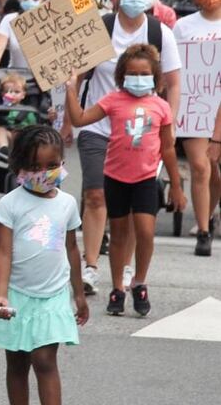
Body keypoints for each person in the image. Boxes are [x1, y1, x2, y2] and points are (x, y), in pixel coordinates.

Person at [76, 0, 181, 294]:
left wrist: (170, 123)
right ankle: (90, 265)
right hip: (98, 123)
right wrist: (65, 117)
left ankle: (124, 269)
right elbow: (76, 75)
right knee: (95, 194)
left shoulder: (159, 32)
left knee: (135, 206)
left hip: (143, 130)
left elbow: (174, 82)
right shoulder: (100, 29)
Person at [66, 44, 186, 315]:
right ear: (122, 75)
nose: (138, 77)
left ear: (155, 76)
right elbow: (80, 118)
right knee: (118, 235)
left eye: (144, 73)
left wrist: (176, 186)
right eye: (132, 72)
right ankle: (118, 287)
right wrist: (72, 88)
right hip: (116, 177)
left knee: (145, 232)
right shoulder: (113, 100)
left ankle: (139, 281)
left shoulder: (161, 106)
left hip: (145, 178)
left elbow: (168, 148)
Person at [0, 124, 88, 405]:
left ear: (62, 163)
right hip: (17, 294)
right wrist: (1, 294)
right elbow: (3, 252)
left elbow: (72, 248)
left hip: (52, 296)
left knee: (44, 360)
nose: (44, 173)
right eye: (35, 166)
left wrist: (78, 294)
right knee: (17, 363)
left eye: (52, 165)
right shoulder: (9, 204)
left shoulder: (67, 203)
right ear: (19, 167)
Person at [172, 0, 221, 256]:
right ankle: (203, 230)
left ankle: (210, 213)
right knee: (201, 167)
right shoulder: (183, 27)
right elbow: (175, 71)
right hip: (195, 109)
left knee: (214, 171)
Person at [0, 73, 38, 154]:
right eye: (7, 91)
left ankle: (20, 151)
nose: (12, 94)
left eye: (16, 92)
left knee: (22, 133)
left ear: (23, 95)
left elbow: (33, 125)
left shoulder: (27, 110)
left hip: (21, 136)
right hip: (6, 136)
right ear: (2, 94)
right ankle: (3, 148)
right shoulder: (0, 108)